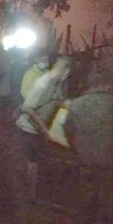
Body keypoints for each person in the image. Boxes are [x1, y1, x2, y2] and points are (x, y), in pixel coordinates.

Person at [15, 55, 72, 206]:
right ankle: (28, 196)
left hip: (39, 129)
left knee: (36, 161)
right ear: (65, 70)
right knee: (31, 162)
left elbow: (57, 100)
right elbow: (27, 108)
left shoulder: (56, 83)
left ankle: (32, 193)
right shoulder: (42, 84)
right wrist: (44, 130)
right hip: (28, 129)